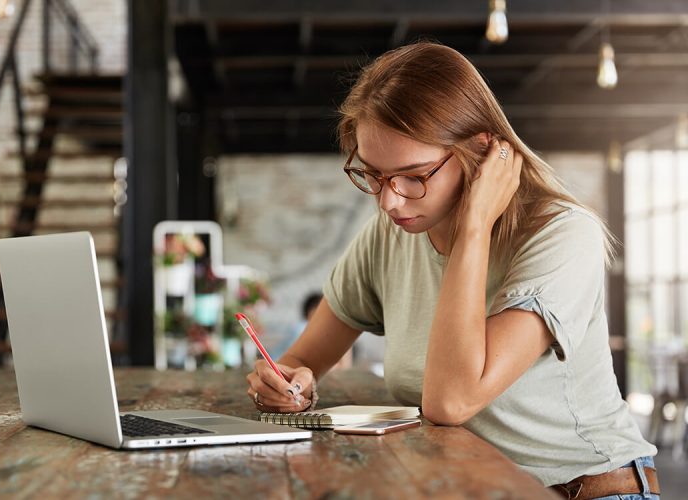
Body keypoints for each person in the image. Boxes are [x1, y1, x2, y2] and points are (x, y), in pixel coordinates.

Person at [245, 42, 659, 498]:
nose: (389, 201)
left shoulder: (562, 236)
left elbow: (451, 401)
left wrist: (475, 226)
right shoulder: (388, 235)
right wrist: (286, 384)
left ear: (480, 150)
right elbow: (302, 360)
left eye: (415, 175)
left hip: (587, 489)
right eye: (374, 174)